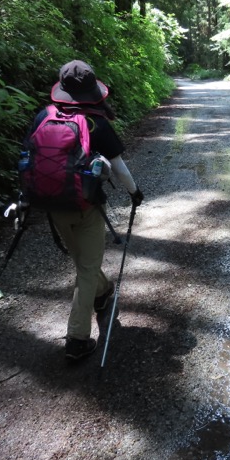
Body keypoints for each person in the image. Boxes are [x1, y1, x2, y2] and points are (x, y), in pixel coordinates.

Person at [34, 60, 144, 361]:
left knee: (83, 260)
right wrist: (134, 193)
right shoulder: (96, 122)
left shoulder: (44, 116)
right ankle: (77, 340)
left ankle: (104, 292)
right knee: (85, 268)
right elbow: (119, 167)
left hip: (52, 206)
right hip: (85, 207)